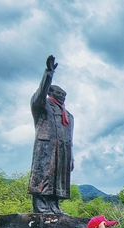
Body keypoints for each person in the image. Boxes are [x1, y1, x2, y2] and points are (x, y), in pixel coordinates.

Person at [28, 55, 74, 214]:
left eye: (64, 94)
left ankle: (54, 206)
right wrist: (49, 73)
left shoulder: (68, 116)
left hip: (62, 151)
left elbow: (70, 139)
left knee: (58, 178)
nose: (62, 96)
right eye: (59, 93)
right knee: (43, 175)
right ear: (50, 92)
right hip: (46, 148)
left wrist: (71, 157)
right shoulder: (42, 106)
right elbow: (40, 94)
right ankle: (40, 206)